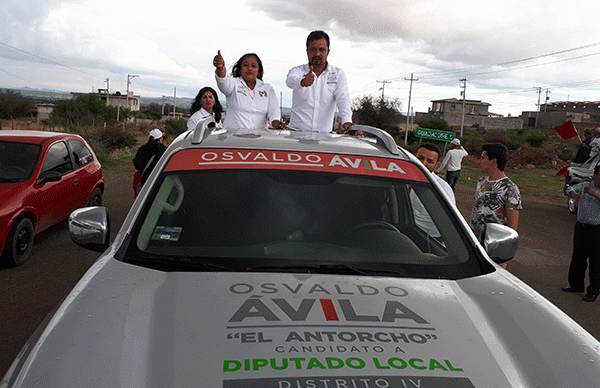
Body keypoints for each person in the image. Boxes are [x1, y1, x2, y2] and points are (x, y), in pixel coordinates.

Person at [286, 30, 354, 133]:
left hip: (324, 137)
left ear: (328, 51)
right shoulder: (297, 71)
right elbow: (289, 81)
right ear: (307, 51)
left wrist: (347, 121)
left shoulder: (338, 74)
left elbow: (343, 98)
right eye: (313, 49)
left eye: (322, 49)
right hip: (296, 135)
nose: (317, 53)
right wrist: (302, 82)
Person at [213, 51, 286, 130]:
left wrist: (277, 124)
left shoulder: (267, 89)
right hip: (233, 139)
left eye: (253, 66)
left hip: (259, 139)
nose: (249, 68)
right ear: (240, 69)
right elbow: (223, 83)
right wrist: (220, 68)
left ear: (258, 71)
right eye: (245, 65)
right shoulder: (234, 83)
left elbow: (274, 111)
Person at [562, 165, 600, 302]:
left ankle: (593, 291)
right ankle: (576, 285)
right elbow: (569, 188)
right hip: (582, 227)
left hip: (597, 230)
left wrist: (594, 194)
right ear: (595, 175)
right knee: (578, 257)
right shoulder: (585, 185)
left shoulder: (592, 190)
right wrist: (573, 194)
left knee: (596, 261)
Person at [470, 143, 522, 241]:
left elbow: (512, 228)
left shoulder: (510, 189)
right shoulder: (481, 183)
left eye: (483, 158)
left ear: (493, 161)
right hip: (473, 242)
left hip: (492, 245)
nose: (479, 162)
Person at [413, 143, 455, 239]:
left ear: (436, 165)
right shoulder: (400, 178)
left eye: (430, 161)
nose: (423, 164)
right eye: (420, 158)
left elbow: (449, 222)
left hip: (429, 239)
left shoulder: (442, 189)